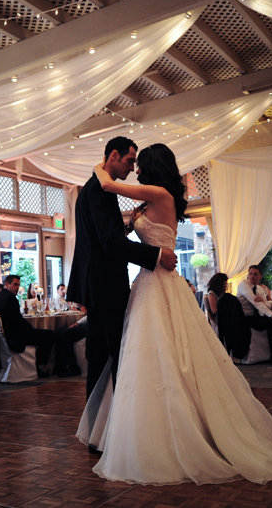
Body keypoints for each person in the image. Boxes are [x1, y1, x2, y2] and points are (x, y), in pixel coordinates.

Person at [77, 143, 272, 485]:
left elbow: (107, 185)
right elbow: (113, 238)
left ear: (151, 166)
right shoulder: (149, 200)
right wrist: (139, 230)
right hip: (146, 284)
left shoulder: (156, 192)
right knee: (141, 359)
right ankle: (138, 430)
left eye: (139, 163)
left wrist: (100, 167)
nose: (135, 169)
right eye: (131, 161)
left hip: (158, 283)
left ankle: (161, 431)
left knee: (159, 356)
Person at [66, 136, 177, 401]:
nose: (132, 169)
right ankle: (115, 423)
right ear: (113, 156)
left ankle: (103, 427)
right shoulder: (100, 190)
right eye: (129, 161)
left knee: (102, 356)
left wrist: (128, 228)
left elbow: (105, 238)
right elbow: (111, 244)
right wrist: (157, 254)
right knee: (117, 356)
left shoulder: (95, 188)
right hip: (105, 286)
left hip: (98, 285)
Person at [0, 275, 57, 377]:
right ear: (7, 284)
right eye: (15, 284)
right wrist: (31, 329)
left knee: (42, 334)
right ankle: (39, 366)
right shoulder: (10, 298)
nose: (17, 287)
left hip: (3, 336)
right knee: (50, 335)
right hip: (14, 337)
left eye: (18, 285)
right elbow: (18, 321)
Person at [237, 265, 272, 364]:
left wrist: (263, 300)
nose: (252, 276)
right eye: (250, 273)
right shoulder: (243, 285)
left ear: (260, 276)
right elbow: (255, 302)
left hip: (258, 316)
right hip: (246, 318)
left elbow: (266, 304)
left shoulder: (259, 288)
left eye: (255, 274)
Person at [54, 307, 87, 377]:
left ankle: (72, 366)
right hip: (87, 324)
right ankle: (60, 365)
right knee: (60, 331)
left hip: (93, 326)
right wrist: (77, 324)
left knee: (65, 334)